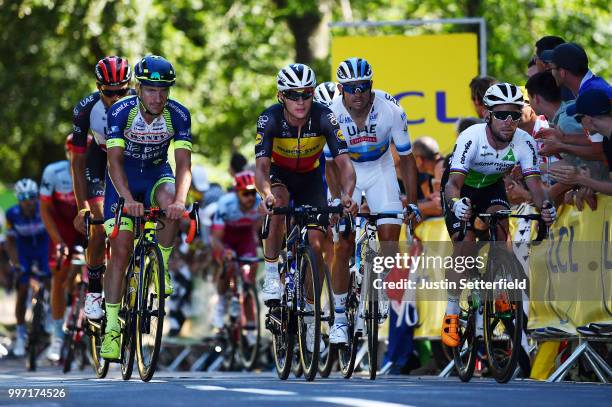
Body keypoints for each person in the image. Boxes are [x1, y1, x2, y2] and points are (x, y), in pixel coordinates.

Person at [441, 83, 556, 347]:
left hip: (492, 186)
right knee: (466, 245)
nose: (509, 121)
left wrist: (545, 207)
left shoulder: (525, 142)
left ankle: (499, 285)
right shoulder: (471, 137)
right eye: (502, 114)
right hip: (462, 187)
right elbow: (452, 185)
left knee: (501, 233)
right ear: (488, 115)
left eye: (514, 115)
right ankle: (452, 312)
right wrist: (457, 204)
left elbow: (536, 186)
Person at [254, 63, 356, 352]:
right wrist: (265, 194)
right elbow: (260, 168)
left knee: (316, 243)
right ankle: (272, 276)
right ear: (281, 96)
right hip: (279, 176)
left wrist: (346, 195)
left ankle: (311, 319)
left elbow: (344, 164)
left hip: (311, 178)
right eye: (293, 95)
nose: (301, 101)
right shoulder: (269, 119)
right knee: (279, 205)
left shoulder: (325, 116)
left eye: (306, 95)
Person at [100, 55, 192, 359]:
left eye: (164, 89)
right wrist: (126, 198)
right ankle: (112, 327)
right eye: (152, 89)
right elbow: (113, 161)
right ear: (138, 88)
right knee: (121, 250)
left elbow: (183, 165)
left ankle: (161, 265)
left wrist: (180, 200)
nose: (159, 96)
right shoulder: (120, 111)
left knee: (172, 202)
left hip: (155, 174)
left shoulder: (178, 115)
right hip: (122, 181)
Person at [325, 57, 420, 344]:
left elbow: (406, 158)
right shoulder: (330, 114)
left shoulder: (391, 111)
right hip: (346, 172)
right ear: (341, 89)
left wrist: (412, 201)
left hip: (380, 169)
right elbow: (330, 165)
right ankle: (340, 318)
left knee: (390, 238)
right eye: (351, 88)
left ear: (371, 86)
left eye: (363, 87)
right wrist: (337, 198)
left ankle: (375, 286)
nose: (358, 93)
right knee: (342, 244)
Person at [71, 56, 133, 320]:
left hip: (132, 164)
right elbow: (77, 162)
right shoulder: (85, 109)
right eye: (109, 93)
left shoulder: (143, 104)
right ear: (99, 88)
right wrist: (82, 207)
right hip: (100, 162)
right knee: (98, 227)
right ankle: (94, 291)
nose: (116, 97)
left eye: (122, 91)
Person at [39, 134, 85, 361]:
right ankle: (57, 336)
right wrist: (58, 241)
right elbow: (45, 209)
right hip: (62, 229)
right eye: (73, 153)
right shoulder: (53, 172)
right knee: (59, 275)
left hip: (86, 226)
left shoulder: (96, 170)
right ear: (68, 153)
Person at [210, 171, 262, 332]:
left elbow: (259, 228)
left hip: (245, 238)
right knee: (229, 265)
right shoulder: (225, 204)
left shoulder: (259, 203)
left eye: (253, 192)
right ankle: (221, 304)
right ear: (237, 193)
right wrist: (224, 251)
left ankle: (250, 325)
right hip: (225, 237)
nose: (250, 197)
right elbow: (216, 238)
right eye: (245, 193)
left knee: (249, 276)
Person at [5, 179, 50, 357]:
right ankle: (21, 334)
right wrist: (16, 264)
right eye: (23, 197)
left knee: (50, 282)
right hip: (24, 252)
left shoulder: (44, 209)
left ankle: (48, 316)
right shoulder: (12, 214)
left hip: (44, 250)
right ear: (18, 198)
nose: (27, 201)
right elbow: (9, 242)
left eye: (31, 196)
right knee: (22, 289)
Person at [412, 137, 444, 218]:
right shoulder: (436, 168)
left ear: (419, 159)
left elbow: (439, 207)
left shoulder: (440, 167)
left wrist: (409, 207)